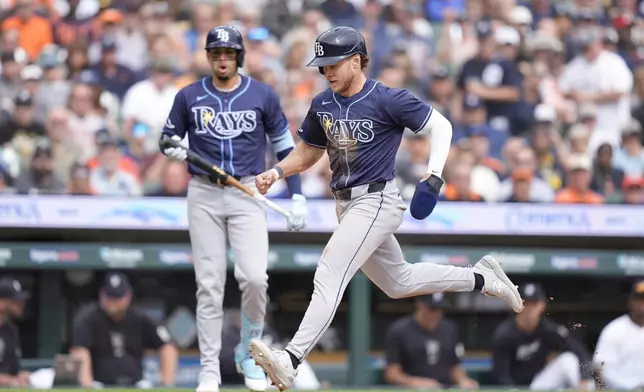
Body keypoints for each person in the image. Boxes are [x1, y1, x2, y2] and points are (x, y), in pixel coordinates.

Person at [249, 26, 524, 391]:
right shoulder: (323, 103)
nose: (327, 71)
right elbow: (310, 151)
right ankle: (482, 277)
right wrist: (277, 171)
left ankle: (291, 358)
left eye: (333, 64)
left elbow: (440, 125)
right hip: (345, 204)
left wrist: (435, 175)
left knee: (330, 272)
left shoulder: (387, 98)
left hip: (376, 199)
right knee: (399, 282)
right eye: (322, 66)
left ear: (356, 60)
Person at [159, 24, 307, 392]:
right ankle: (209, 370)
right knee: (209, 285)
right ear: (208, 57)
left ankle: (248, 353)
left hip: (247, 192)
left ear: (239, 56)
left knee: (255, 279)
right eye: (216, 53)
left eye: (229, 53)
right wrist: (173, 147)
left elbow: (286, 148)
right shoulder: (189, 96)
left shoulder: (263, 95)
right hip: (204, 192)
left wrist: (298, 194)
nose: (222, 60)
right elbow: (167, 138)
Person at [70, 272, 178, 389]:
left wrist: (166, 384)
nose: (113, 303)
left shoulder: (141, 318)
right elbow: (79, 350)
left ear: (128, 296)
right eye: (110, 297)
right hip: (99, 384)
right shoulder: (88, 318)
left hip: (137, 384)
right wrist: (87, 386)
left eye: (118, 298)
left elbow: (168, 345)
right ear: (102, 294)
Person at [492, 282, 596, 390]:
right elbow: (501, 374)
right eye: (525, 303)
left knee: (567, 360)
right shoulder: (505, 333)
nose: (529, 308)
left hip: (541, 384)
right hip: (517, 388)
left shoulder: (549, 329)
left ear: (542, 305)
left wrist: (585, 378)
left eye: (534, 303)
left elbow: (580, 352)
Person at [384, 293, 479, 389]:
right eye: (432, 309)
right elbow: (392, 373)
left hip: (444, 388)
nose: (436, 314)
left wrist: (463, 380)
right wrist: (414, 382)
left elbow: (454, 365)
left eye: (440, 309)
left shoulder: (449, 329)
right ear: (420, 305)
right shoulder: (400, 330)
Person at [593, 280, 644, 389]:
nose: (642, 304)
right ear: (630, 301)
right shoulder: (614, 329)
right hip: (622, 387)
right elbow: (601, 369)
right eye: (638, 299)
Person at [0, 277, 30, 388]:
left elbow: (12, 369)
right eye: (15, 301)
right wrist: (9, 381)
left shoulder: (11, 332)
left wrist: (20, 376)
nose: (21, 303)